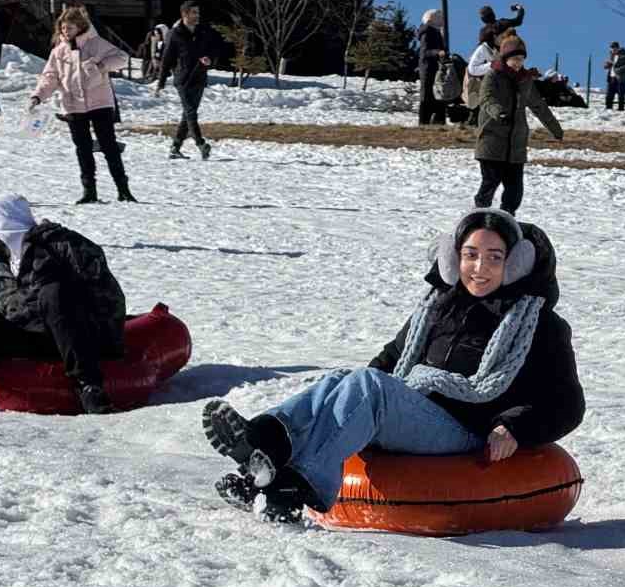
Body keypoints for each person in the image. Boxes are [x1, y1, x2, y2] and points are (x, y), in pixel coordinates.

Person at [203, 209, 585, 523]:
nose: (478, 267)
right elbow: (389, 359)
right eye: (470, 254)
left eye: (494, 257)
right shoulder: (438, 308)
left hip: (468, 433)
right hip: (420, 417)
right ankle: (260, 449)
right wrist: (347, 396)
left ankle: (295, 485)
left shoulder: (541, 327)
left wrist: (513, 426)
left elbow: (567, 404)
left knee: (370, 386)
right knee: (344, 378)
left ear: (517, 264)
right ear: (454, 259)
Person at [0, 193, 127, 414]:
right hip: (36, 339)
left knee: (52, 291)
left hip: (81, 337)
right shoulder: (6, 260)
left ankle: (89, 386)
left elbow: (107, 295)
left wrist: (109, 336)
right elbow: (10, 310)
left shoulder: (64, 245)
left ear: (1, 228)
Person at [31, 6, 135, 204]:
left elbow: (121, 58)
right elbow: (50, 77)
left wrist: (102, 66)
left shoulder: (96, 44)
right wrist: (38, 96)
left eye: (69, 28)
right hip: (73, 105)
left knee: (109, 146)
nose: (65, 31)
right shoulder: (58, 52)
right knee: (83, 149)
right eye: (63, 28)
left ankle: (123, 189)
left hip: (99, 103)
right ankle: (89, 191)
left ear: (79, 27)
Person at [474, 34, 563, 215]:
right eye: (514, 59)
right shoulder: (493, 75)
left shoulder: (525, 80)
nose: (518, 63)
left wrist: (555, 128)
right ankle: (478, 214)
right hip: (492, 138)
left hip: (516, 143)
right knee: (490, 182)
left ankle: (507, 217)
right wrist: (498, 112)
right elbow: (487, 98)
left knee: (515, 188)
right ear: (505, 58)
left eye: (521, 59)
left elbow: (538, 105)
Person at [156, 1, 221, 160]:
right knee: (191, 112)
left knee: (187, 115)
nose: (197, 16)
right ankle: (201, 144)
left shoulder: (202, 32)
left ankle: (175, 148)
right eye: (194, 13)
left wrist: (209, 59)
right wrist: (161, 82)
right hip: (183, 79)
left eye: (198, 12)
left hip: (199, 77)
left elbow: (212, 50)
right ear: (184, 14)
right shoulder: (174, 34)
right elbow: (167, 59)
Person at [416, 9, 447, 126]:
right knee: (427, 96)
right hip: (428, 68)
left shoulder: (435, 31)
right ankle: (424, 122)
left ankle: (436, 122)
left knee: (436, 95)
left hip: (433, 67)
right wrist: (438, 52)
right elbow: (424, 52)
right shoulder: (428, 31)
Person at [465, 25, 496, 125]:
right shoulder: (482, 49)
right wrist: (491, 65)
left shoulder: (493, 48)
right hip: (480, 85)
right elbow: (472, 69)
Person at [602, 41, 625, 111]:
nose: (613, 49)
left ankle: (620, 109)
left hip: (620, 78)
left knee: (621, 95)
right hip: (611, 77)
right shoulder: (611, 55)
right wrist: (607, 65)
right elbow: (606, 65)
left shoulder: (624, 55)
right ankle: (608, 108)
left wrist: (620, 69)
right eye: (612, 48)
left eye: (614, 48)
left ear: (618, 48)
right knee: (609, 94)